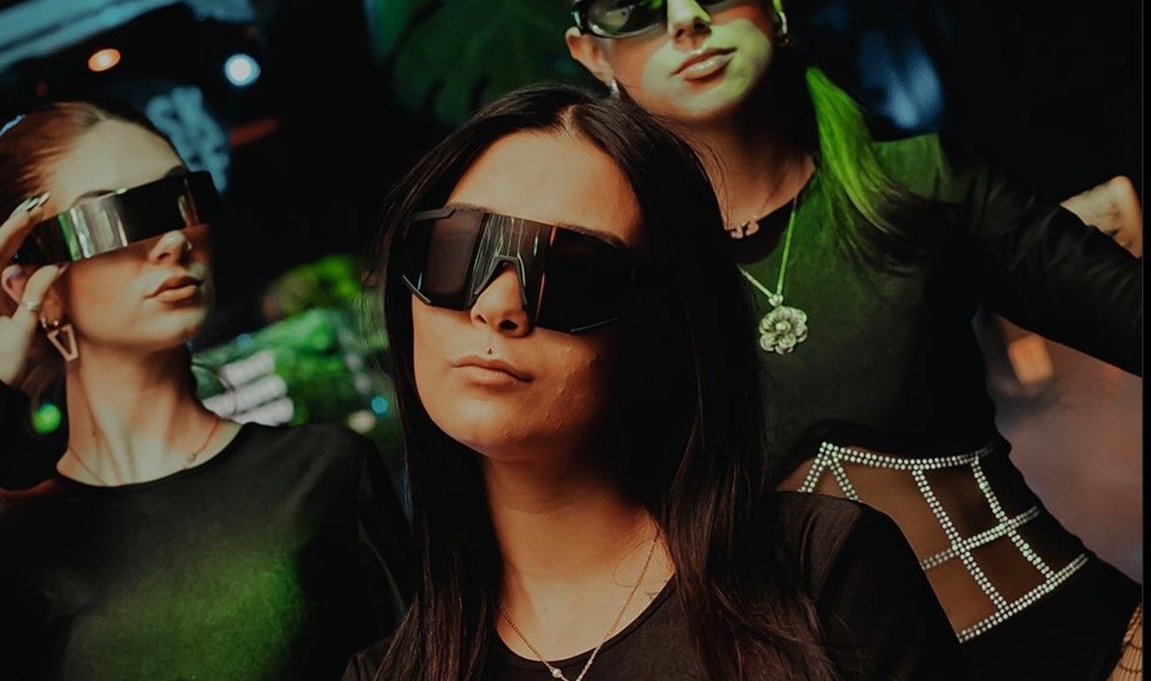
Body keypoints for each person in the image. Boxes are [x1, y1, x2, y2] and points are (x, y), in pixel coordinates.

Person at [560, 0, 1142, 680]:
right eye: (631, 2)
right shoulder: (617, 300)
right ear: (591, 52)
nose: (685, 16)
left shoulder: (925, 183)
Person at [344, 82, 968, 680]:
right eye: (458, 250)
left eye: (573, 274)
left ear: (667, 344)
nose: (497, 305)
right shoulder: (387, 674)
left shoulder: (821, 572)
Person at [0, 100, 414, 680]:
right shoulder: (1, 549)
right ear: (33, 286)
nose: (173, 240)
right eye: (115, 215)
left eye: (183, 199)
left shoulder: (321, 472)